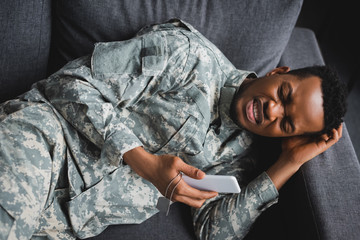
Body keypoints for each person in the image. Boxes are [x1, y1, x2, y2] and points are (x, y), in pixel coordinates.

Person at [0, 19, 347, 240]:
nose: (272, 110)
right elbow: (71, 85)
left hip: (61, 222)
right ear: (278, 72)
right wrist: (144, 162)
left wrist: (287, 164)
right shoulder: (188, 55)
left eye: (286, 123)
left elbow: (214, 231)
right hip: (42, 142)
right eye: (284, 94)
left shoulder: (242, 155)